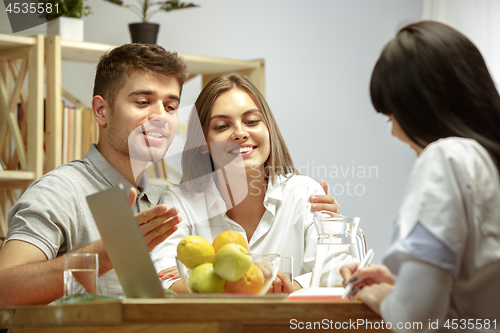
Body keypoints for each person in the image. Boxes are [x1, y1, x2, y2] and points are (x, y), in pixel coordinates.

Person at [340, 21, 500, 331]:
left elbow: (415, 319)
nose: (396, 134)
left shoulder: (446, 157)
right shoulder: (489, 162)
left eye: (390, 118)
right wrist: (404, 286)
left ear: (418, 108)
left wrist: (384, 296)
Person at [0, 43, 186, 307]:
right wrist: (104, 254)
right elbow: (4, 289)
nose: (160, 116)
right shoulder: (60, 190)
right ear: (101, 111)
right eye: (143, 102)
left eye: (170, 106)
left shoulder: (167, 201)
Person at [153, 73, 341, 293]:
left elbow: (338, 270)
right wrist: (249, 286)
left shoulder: (306, 195)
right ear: (203, 143)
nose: (240, 133)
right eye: (222, 126)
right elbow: (163, 278)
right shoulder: (178, 204)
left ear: (268, 129)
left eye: (252, 121)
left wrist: (291, 288)